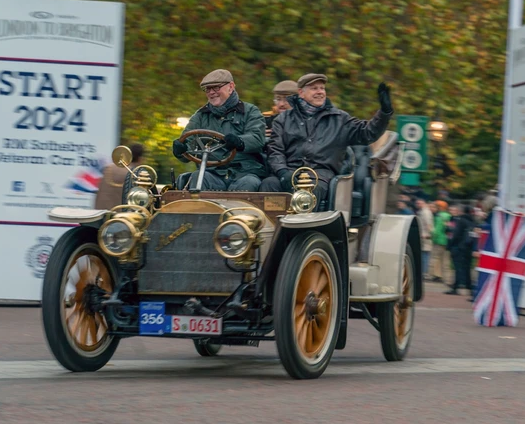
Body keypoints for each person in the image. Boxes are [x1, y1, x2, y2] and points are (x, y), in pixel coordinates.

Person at [260, 73, 394, 210]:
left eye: (322, 88)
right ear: (301, 92)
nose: (320, 92)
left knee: (309, 191)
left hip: (320, 175)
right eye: (314, 88)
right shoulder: (283, 119)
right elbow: (275, 150)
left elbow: (367, 133)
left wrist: (384, 112)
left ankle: (305, 230)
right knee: (268, 184)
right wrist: (283, 172)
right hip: (289, 171)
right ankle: (269, 228)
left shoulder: (339, 119)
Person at [172, 69, 267, 191]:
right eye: (207, 89)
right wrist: (181, 150)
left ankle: (240, 210)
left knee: (249, 183)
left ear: (231, 87)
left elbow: (257, 138)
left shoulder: (250, 111)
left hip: (245, 172)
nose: (211, 92)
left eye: (216, 88)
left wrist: (240, 142)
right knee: (198, 178)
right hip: (212, 172)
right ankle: (198, 209)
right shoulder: (200, 116)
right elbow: (187, 143)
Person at [94, 143, 144, 210]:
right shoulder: (135, 174)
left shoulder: (109, 168)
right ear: (140, 159)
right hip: (120, 216)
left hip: (99, 213)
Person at [445, 204, 474, 295]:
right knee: (467, 267)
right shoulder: (471, 221)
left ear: (460, 211)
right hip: (468, 247)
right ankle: (468, 286)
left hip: (458, 247)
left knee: (458, 268)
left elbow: (455, 234)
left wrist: (451, 245)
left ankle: (457, 286)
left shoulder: (460, 221)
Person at [430, 200, 452, 283]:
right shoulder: (449, 215)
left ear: (439, 207)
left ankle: (437, 275)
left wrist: (432, 236)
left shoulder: (438, 216)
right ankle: (447, 278)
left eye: (435, 207)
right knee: (446, 259)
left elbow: (437, 229)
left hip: (439, 240)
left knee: (436, 258)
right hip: (447, 239)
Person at [415, 198, 434, 278]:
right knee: (423, 255)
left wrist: (429, 234)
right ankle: (423, 272)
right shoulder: (422, 211)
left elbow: (428, 224)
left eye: (419, 203)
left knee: (425, 255)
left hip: (425, 236)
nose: (417, 205)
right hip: (423, 235)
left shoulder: (425, 212)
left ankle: (424, 272)